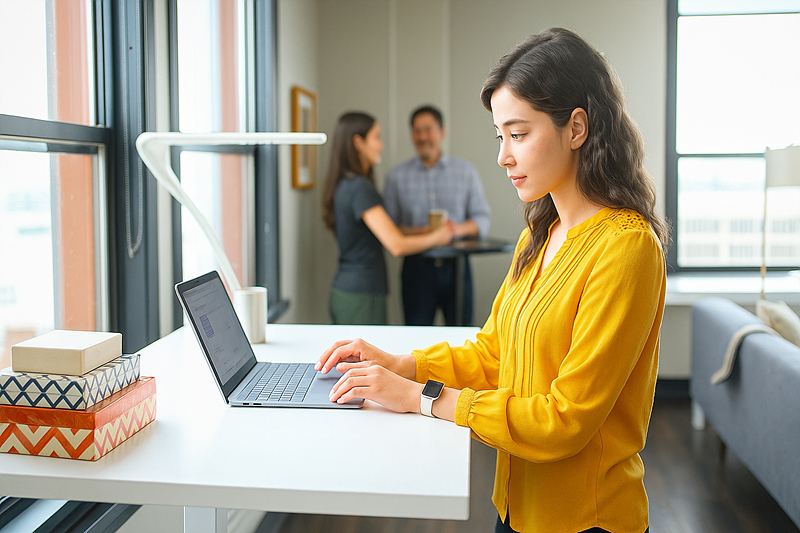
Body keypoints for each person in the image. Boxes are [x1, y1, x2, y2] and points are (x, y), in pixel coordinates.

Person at [317, 28, 669, 533]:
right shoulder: (541, 236)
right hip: (514, 505)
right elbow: (493, 354)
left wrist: (421, 397)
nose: (504, 155)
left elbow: (564, 419)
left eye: (519, 134)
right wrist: (402, 365)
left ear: (576, 128)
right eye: (500, 136)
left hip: (585, 520)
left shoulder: (626, 247)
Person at [322, 111, 454, 325]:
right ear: (358, 142)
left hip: (352, 291)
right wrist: (438, 237)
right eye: (376, 137)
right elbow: (396, 245)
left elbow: (383, 231)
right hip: (360, 294)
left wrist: (418, 231)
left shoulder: (347, 184)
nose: (381, 145)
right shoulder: (360, 188)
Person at [384, 105, 492, 326]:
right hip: (416, 268)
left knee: (461, 336)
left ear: (442, 132)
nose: (422, 136)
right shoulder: (396, 177)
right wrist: (418, 232)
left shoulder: (465, 171)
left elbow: (482, 219)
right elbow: (390, 228)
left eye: (428, 129)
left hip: (458, 267)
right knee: (415, 338)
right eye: (417, 131)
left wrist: (457, 230)